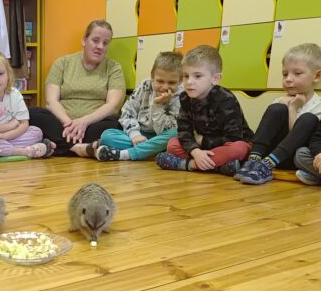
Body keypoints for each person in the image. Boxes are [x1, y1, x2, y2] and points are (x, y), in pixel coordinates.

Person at [29, 19, 125, 156]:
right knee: (32, 113)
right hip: (62, 123)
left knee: (115, 123)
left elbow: (113, 106)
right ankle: (80, 148)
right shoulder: (62, 63)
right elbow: (51, 101)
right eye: (95, 40)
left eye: (105, 43)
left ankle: (60, 146)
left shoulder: (114, 68)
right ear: (84, 40)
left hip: (93, 125)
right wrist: (70, 124)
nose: (100, 46)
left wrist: (84, 122)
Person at [155, 45, 253, 176]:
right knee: (172, 144)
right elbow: (184, 131)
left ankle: (189, 165)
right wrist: (195, 152)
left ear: (215, 79)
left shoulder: (226, 99)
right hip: (203, 147)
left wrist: (202, 141)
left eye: (197, 76)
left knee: (239, 148)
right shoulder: (185, 98)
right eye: (186, 76)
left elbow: (233, 137)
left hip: (229, 143)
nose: (189, 82)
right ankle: (220, 166)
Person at [235, 43, 321, 185]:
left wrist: (293, 108)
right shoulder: (280, 101)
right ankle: (253, 161)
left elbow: (298, 138)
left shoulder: (318, 105)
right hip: (270, 153)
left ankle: (266, 165)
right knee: (276, 109)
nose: (288, 79)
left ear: (317, 76)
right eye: (285, 74)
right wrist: (284, 106)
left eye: (297, 73)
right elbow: (267, 133)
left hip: (293, 157)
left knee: (308, 119)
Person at [0, 48, 52, 163]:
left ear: (8, 74)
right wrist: (8, 126)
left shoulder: (14, 94)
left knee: (36, 132)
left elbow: (24, 124)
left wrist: (5, 136)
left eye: (1, 74)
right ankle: (20, 151)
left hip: (10, 136)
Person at [95, 51, 183, 162]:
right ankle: (149, 151)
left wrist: (158, 105)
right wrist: (134, 134)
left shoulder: (181, 96)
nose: (165, 87)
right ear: (152, 76)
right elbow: (127, 111)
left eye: (171, 83)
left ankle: (125, 154)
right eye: (160, 81)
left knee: (174, 135)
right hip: (141, 134)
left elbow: (166, 131)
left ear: (180, 81)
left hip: (162, 136)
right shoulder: (145, 86)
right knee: (107, 136)